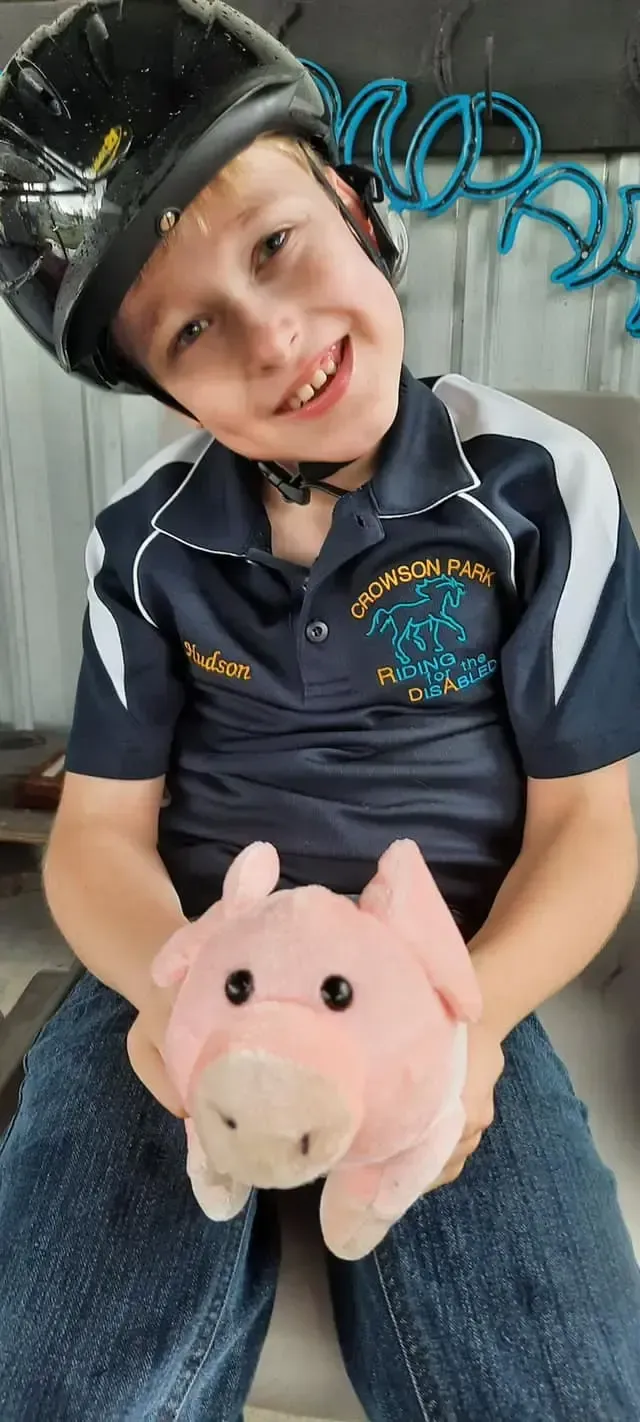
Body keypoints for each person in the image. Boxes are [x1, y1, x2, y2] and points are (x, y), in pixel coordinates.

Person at [1, 3, 639, 1419]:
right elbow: (98, 835)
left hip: (453, 976)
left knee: (550, 1393)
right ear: (156, 380)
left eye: (278, 243)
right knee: (61, 1378)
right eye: (195, 329)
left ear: (351, 200)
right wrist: (181, 997)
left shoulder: (540, 491)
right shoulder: (142, 539)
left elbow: (592, 824)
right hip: (191, 967)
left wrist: (468, 1031)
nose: (277, 337)